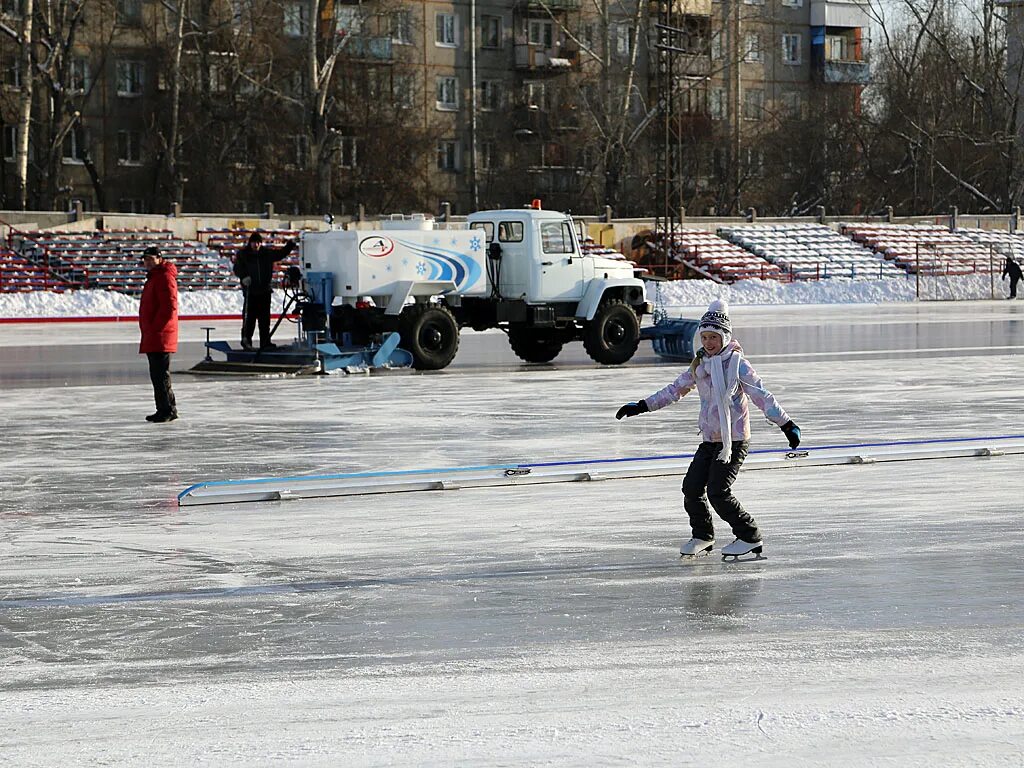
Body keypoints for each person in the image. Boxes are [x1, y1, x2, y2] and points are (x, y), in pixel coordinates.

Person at [615, 299, 800, 559]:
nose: (709, 342)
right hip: (710, 439)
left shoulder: (738, 365)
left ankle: (749, 536)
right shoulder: (700, 364)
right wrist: (642, 406)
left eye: (714, 337)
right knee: (691, 488)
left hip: (733, 440)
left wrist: (786, 424)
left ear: (725, 337)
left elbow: (763, 396)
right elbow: (674, 390)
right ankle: (703, 535)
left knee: (718, 491)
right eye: (705, 337)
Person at [233, 232, 297, 349]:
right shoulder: (243, 254)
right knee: (249, 319)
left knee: (264, 320)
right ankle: (246, 340)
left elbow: (280, 254)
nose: (256, 245)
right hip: (251, 292)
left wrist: (290, 245)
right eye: (254, 242)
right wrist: (244, 276)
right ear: (250, 243)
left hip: (264, 291)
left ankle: (265, 342)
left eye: (258, 242)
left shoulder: (266, 254)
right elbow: (237, 268)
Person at [139, 246, 179, 423]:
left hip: (160, 335)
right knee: (158, 374)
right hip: (154, 334)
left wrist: (155, 328)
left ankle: (166, 410)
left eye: (151, 259)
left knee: (160, 374)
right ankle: (165, 408)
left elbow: (169, 307)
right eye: (145, 259)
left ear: (159, 258)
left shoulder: (164, 277)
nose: (147, 262)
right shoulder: (155, 277)